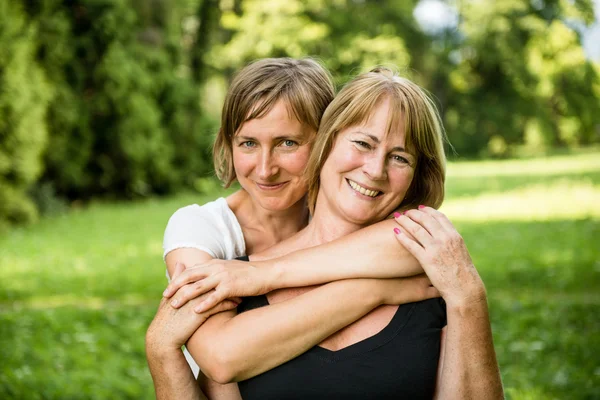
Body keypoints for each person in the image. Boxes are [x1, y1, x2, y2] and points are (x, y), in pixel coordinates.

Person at [147, 67, 503, 399]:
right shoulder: (229, 277)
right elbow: (219, 357)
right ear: (326, 144)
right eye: (362, 144)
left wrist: (468, 297)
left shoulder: (436, 275)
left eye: (400, 158)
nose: (375, 170)